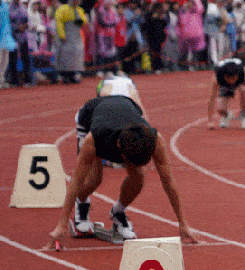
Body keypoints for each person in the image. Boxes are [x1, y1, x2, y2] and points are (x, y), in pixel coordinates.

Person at [48, 92, 197, 247]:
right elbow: (76, 180)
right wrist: (62, 225)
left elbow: (169, 183)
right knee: (94, 180)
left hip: (128, 107)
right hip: (90, 116)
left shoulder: (155, 140)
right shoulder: (93, 140)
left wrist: (183, 223)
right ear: (120, 149)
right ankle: (82, 201)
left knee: (139, 176)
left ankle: (118, 211)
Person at [206, 57, 245, 130]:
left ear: (237, 75)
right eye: (229, 79)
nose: (231, 81)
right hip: (225, 84)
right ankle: (226, 115)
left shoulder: (244, 75)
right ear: (224, 76)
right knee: (220, 109)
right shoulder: (217, 77)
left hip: (240, 81)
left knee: (243, 90)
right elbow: (211, 99)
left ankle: (243, 116)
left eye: (233, 78)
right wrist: (210, 121)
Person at [54, 0, 87, 83]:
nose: (76, 1)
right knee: (65, 55)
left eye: (78, 0)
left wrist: (81, 21)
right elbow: (59, 22)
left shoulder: (80, 10)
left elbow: (84, 21)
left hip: (76, 35)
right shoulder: (63, 9)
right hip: (67, 35)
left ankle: (73, 74)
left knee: (76, 54)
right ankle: (65, 75)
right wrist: (62, 35)